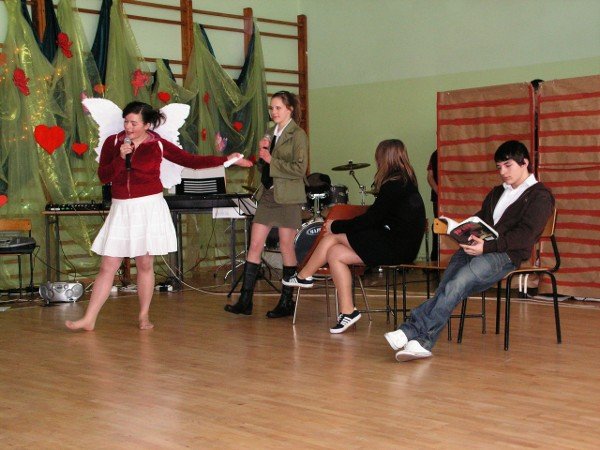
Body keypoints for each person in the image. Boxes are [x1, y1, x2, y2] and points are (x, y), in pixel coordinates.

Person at [66, 101, 252, 331]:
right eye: (126, 122)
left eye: (134, 123)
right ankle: (89, 318)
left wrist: (226, 160)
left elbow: (191, 161)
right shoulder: (113, 142)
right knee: (108, 266)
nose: (128, 127)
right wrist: (120, 158)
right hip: (121, 209)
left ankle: (143, 315)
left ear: (147, 125)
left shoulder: (158, 144)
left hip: (149, 207)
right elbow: (104, 176)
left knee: (145, 264)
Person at [384, 140, 554, 361]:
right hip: (480, 248)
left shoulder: (540, 195)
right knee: (448, 286)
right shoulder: (497, 192)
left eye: (508, 165)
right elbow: (481, 220)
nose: (502, 172)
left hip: (505, 255)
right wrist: (459, 229)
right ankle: (418, 340)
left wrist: (487, 247)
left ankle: (413, 333)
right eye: (499, 167)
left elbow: (525, 236)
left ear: (525, 163)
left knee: (456, 284)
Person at [283, 139, 426, 333]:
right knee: (334, 253)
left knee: (332, 237)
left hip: (397, 246)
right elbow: (377, 219)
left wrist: (336, 225)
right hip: (398, 244)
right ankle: (348, 312)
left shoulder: (394, 185)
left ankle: (303, 276)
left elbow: (371, 219)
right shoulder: (404, 181)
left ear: (383, 158)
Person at [224, 91, 308, 318]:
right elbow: (265, 168)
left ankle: (286, 301)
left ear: (290, 109)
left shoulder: (298, 134)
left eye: (278, 108)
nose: (274, 112)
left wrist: (272, 159)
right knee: (255, 244)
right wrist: (260, 158)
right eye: (272, 108)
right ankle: (245, 300)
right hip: (268, 196)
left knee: (286, 246)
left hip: (288, 197)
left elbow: (300, 169)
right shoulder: (270, 133)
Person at [427, 149, 438, 261]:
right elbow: (430, 177)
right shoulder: (435, 154)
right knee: (438, 225)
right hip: (438, 197)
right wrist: (438, 191)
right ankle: (435, 257)